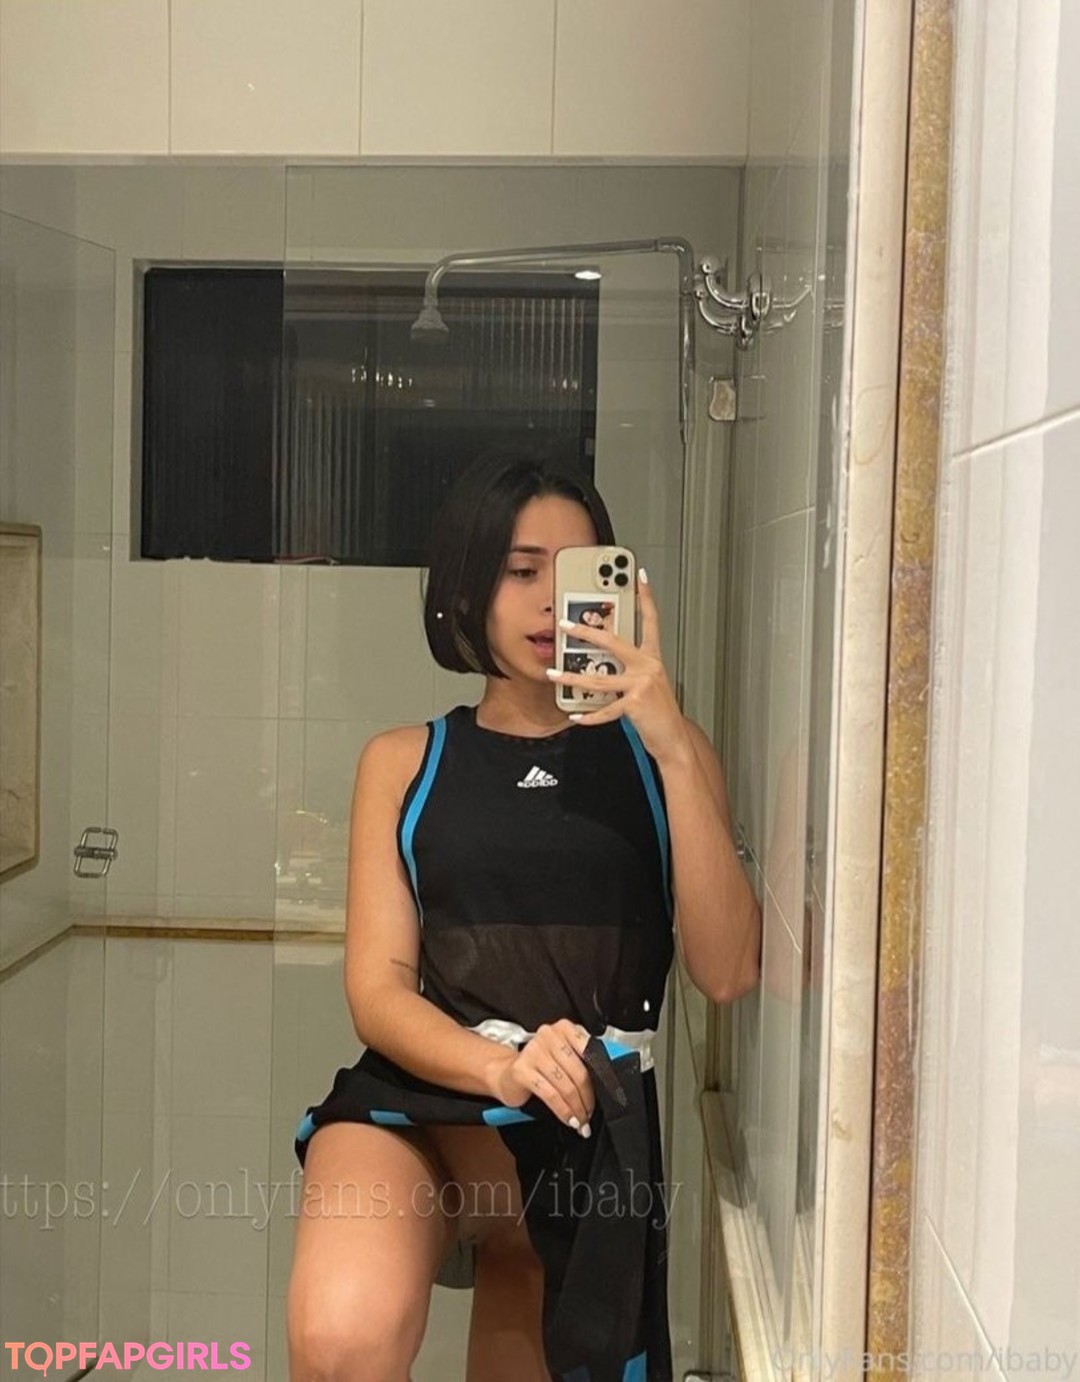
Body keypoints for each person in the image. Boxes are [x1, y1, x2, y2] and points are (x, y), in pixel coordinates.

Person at [286, 451, 762, 1382]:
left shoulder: (665, 756)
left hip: (581, 1132)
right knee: (341, 1338)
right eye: (520, 570)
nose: (552, 602)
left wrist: (668, 737)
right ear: (467, 588)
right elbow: (377, 991)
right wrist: (501, 1067)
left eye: (577, 572)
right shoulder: (403, 761)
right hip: (427, 1111)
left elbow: (729, 968)